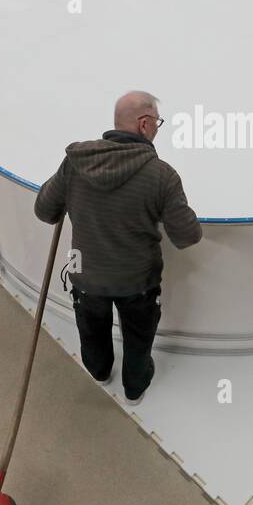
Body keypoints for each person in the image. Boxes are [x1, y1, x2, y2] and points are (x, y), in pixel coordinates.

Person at [34, 91, 202, 405]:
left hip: (86, 277)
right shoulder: (162, 176)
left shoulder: (75, 162)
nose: (156, 129)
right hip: (137, 282)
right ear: (144, 124)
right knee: (138, 339)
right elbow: (187, 235)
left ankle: (99, 372)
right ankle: (134, 388)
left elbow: (45, 210)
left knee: (92, 331)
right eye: (157, 123)